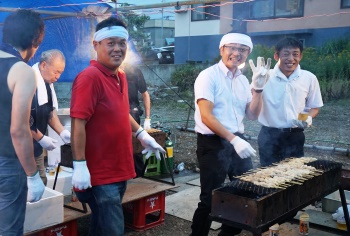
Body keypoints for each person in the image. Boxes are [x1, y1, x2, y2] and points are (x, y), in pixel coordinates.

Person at [70, 17, 165, 236]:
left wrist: (141, 133)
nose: (117, 48)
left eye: (121, 43)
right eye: (110, 43)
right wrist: (79, 165)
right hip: (101, 175)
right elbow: (78, 123)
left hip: (119, 169)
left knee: (100, 227)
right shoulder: (90, 78)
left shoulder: (120, 75)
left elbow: (121, 113)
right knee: (113, 230)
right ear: (96, 45)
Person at [191, 33, 270, 236]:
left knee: (245, 191)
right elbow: (206, 116)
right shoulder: (208, 76)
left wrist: (258, 90)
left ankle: (227, 233)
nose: (236, 53)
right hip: (212, 143)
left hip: (237, 141)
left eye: (242, 50)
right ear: (221, 50)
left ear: (248, 54)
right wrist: (233, 139)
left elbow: (252, 115)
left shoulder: (243, 81)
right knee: (211, 198)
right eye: (232, 48)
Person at [0, 9, 46, 235]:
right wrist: (33, 174)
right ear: (33, 41)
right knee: (8, 229)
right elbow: (18, 130)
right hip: (7, 163)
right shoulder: (22, 71)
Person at [257, 37, 323, 167]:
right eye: (286, 54)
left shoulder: (309, 78)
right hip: (269, 135)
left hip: (295, 136)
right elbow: (251, 103)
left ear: (301, 56)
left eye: (295, 54)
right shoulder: (264, 77)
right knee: (268, 177)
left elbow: (314, 107)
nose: (291, 59)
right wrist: (257, 88)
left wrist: (306, 117)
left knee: (293, 176)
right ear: (276, 56)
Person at [31, 49, 71, 185]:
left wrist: (63, 132)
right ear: (43, 65)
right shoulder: (28, 82)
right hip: (18, 149)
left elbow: (50, 113)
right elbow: (18, 119)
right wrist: (41, 138)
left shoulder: (48, 85)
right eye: (56, 72)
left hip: (36, 148)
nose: (58, 76)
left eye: (61, 72)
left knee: (41, 182)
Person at [122, 63, 151, 129]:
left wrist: (147, 119)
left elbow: (145, 95)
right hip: (116, 116)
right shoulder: (110, 71)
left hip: (133, 113)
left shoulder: (135, 72)